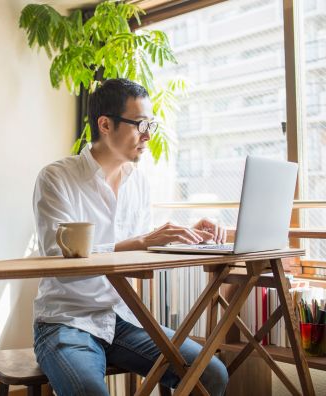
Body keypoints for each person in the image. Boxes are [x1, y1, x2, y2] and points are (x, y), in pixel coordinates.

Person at [32, 78, 229, 396]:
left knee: (211, 373)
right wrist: (139, 243)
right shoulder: (57, 178)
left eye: (150, 124)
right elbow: (58, 259)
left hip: (121, 318)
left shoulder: (138, 183)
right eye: (140, 124)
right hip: (65, 321)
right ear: (105, 124)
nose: (148, 136)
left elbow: (143, 246)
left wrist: (191, 233)